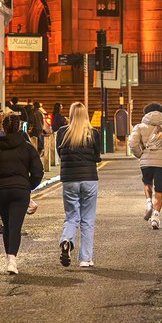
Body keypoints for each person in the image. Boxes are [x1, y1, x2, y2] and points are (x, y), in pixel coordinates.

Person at [0, 112, 44, 274]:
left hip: (1, 191)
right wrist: (28, 186)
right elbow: (38, 171)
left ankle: (9, 258)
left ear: (3, 127)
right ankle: (12, 259)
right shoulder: (27, 147)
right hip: (20, 190)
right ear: (18, 127)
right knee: (15, 225)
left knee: (7, 224)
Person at [56, 101, 102, 269]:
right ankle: (85, 259)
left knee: (71, 216)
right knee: (87, 219)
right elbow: (97, 156)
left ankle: (66, 240)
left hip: (69, 179)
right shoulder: (93, 133)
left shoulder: (62, 133)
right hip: (89, 178)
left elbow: (60, 154)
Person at [128, 103, 162, 229]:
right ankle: (156, 217)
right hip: (161, 163)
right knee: (159, 191)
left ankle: (148, 203)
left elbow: (132, 143)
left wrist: (140, 154)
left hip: (146, 161)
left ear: (146, 113)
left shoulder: (139, 127)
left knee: (147, 183)